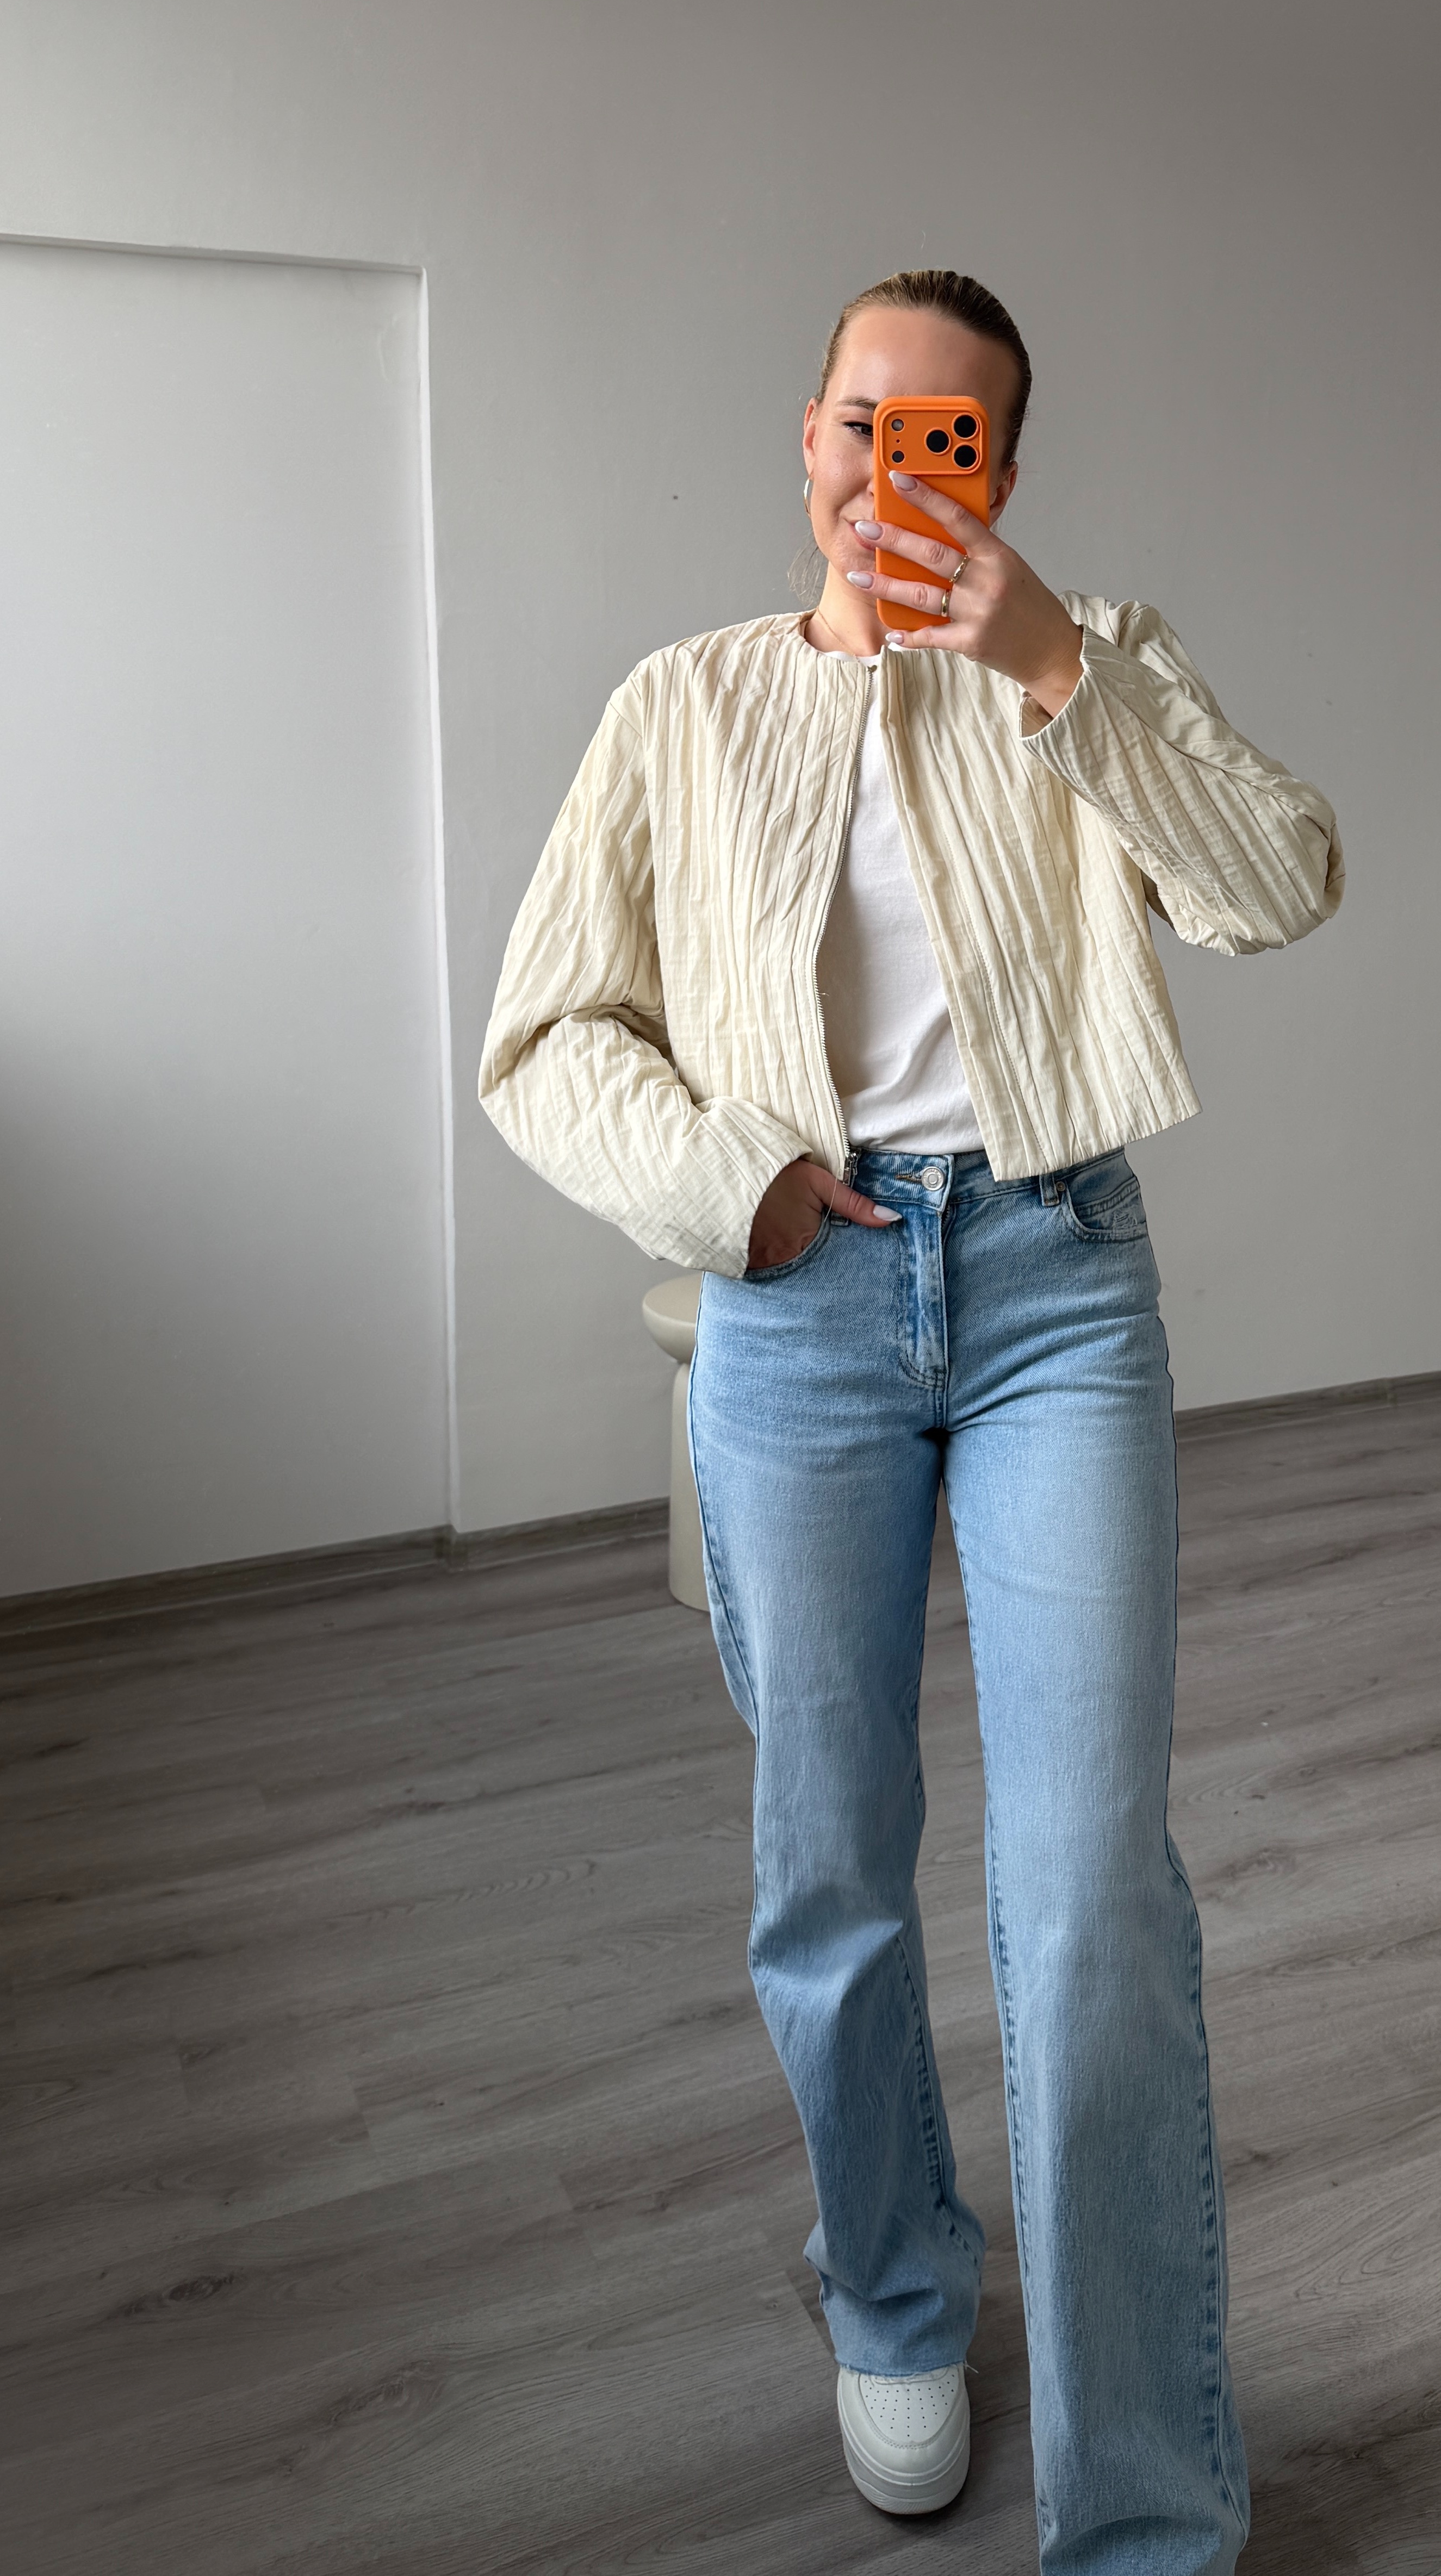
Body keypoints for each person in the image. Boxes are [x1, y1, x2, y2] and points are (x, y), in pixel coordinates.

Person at [481, 269, 1341, 2574]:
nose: (895, 470)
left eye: (948, 438)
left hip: (1060, 1286)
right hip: (799, 1310)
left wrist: (1055, 667)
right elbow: (543, 1040)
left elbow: (1282, 881)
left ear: (1004, 474)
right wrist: (736, 1187)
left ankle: (1145, 2519)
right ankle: (891, 2291)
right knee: (831, 1864)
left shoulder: (1088, 660)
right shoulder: (680, 707)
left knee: (1092, 1897)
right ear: (808, 437)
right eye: (867, 424)